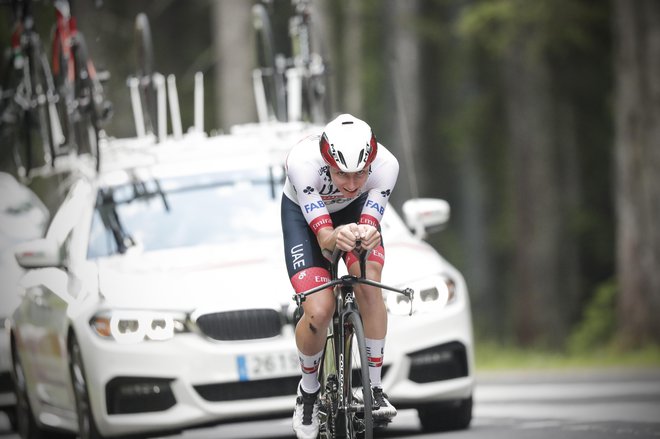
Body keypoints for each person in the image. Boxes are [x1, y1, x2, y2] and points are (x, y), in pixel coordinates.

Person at [281, 113, 400, 439]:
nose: (350, 184)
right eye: (340, 174)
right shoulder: (301, 162)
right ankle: (308, 392)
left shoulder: (387, 166)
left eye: (360, 174)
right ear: (326, 161)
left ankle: (374, 389)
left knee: (369, 277)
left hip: (355, 214)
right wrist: (338, 235)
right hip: (305, 221)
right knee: (319, 310)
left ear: (371, 163)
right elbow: (325, 240)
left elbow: (369, 223)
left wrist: (367, 233)